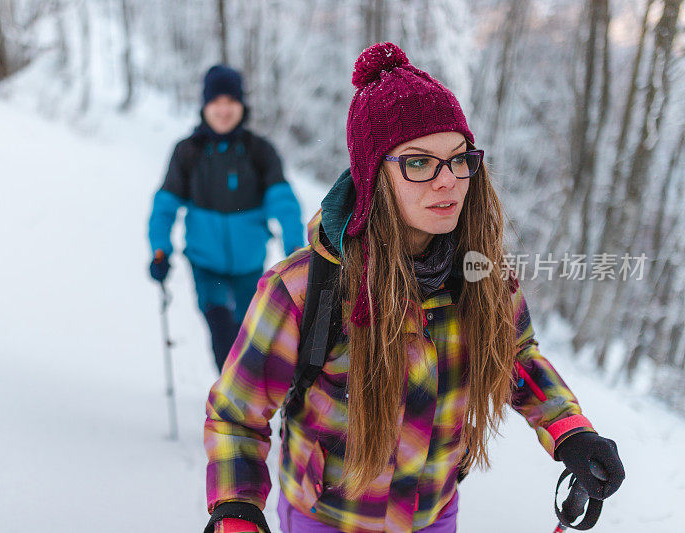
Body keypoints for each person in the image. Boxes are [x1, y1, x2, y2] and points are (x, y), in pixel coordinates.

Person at [202, 43, 625, 533]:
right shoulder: (302, 289)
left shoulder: (480, 275)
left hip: (432, 516)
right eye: (419, 163)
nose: (447, 182)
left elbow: (516, 357)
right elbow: (236, 415)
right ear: (373, 174)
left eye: (458, 159)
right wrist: (237, 508)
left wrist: (569, 430)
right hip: (327, 518)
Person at [148, 65, 304, 372]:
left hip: (249, 266)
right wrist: (160, 248)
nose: (223, 110)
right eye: (216, 102)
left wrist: (296, 249)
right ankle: (233, 408)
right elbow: (164, 207)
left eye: (230, 101)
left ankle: (248, 402)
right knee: (223, 337)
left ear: (241, 106)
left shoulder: (259, 152)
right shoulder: (188, 152)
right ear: (205, 106)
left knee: (252, 341)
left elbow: (284, 203)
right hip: (205, 265)